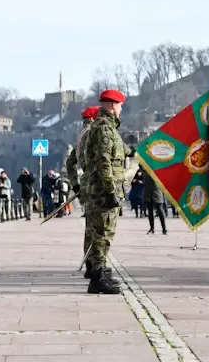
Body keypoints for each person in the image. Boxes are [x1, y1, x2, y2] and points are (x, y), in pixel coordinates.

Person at [84, 89, 134, 294]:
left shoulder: (105, 127)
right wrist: (110, 190)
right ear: (113, 105)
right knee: (102, 234)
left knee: (101, 233)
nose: (121, 109)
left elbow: (118, 153)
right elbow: (104, 160)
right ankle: (98, 276)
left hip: (101, 188)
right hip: (103, 190)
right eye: (120, 105)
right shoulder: (105, 129)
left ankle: (100, 271)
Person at [66, 106, 100, 209]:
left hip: (86, 183)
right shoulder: (95, 133)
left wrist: (75, 184)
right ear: (93, 119)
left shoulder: (81, 136)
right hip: (98, 185)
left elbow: (70, 163)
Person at [142, 170, 167, 234]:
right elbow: (140, 165)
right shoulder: (145, 167)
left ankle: (164, 229)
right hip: (148, 190)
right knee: (150, 211)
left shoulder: (157, 166)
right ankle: (152, 228)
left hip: (157, 190)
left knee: (160, 209)